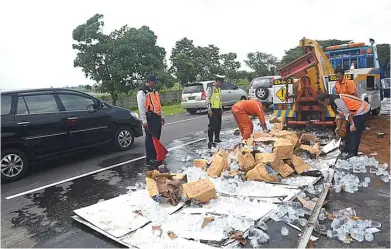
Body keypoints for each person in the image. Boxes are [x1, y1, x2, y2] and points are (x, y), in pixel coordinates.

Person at [316, 93, 371, 158]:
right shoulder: (333, 104)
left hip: (363, 110)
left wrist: (352, 124)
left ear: (325, 100)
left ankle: (352, 153)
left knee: (353, 131)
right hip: (355, 112)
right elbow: (339, 116)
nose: (324, 105)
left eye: (323, 103)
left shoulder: (337, 100)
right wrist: (338, 127)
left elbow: (347, 114)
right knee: (347, 130)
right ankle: (347, 150)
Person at [137, 74, 165, 169]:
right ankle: (150, 157)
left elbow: (158, 104)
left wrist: (162, 116)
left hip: (157, 116)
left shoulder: (155, 91)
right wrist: (144, 120)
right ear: (149, 82)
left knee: (156, 137)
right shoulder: (142, 92)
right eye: (154, 82)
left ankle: (156, 155)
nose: (155, 84)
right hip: (149, 117)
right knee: (150, 138)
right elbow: (141, 107)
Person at [205, 74, 224, 149]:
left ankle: (217, 138)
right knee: (212, 126)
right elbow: (207, 99)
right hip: (212, 109)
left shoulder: (219, 89)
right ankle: (210, 141)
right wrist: (209, 109)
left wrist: (221, 107)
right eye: (220, 82)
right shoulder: (210, 88)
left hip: (218, 109)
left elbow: (219, 99)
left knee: (218, 125)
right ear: (217, 81)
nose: (221, 84)